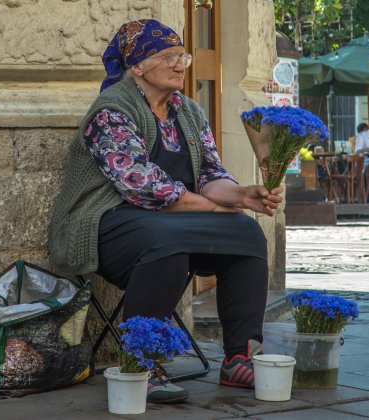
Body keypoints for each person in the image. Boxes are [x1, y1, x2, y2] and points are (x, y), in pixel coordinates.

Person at [47, 19, 283, 403]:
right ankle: (141, 362)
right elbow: (143, 186)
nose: (180, 65)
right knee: (168, 240)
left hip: (171, 221)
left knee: (247, 234)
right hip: (102, 223)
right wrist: (214, 207)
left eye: (182, 56)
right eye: (168, 56)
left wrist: (242, 195)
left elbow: (210, 173)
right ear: (137, 65)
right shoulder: (111, 112)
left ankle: (239, 357)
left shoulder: (188, 112)